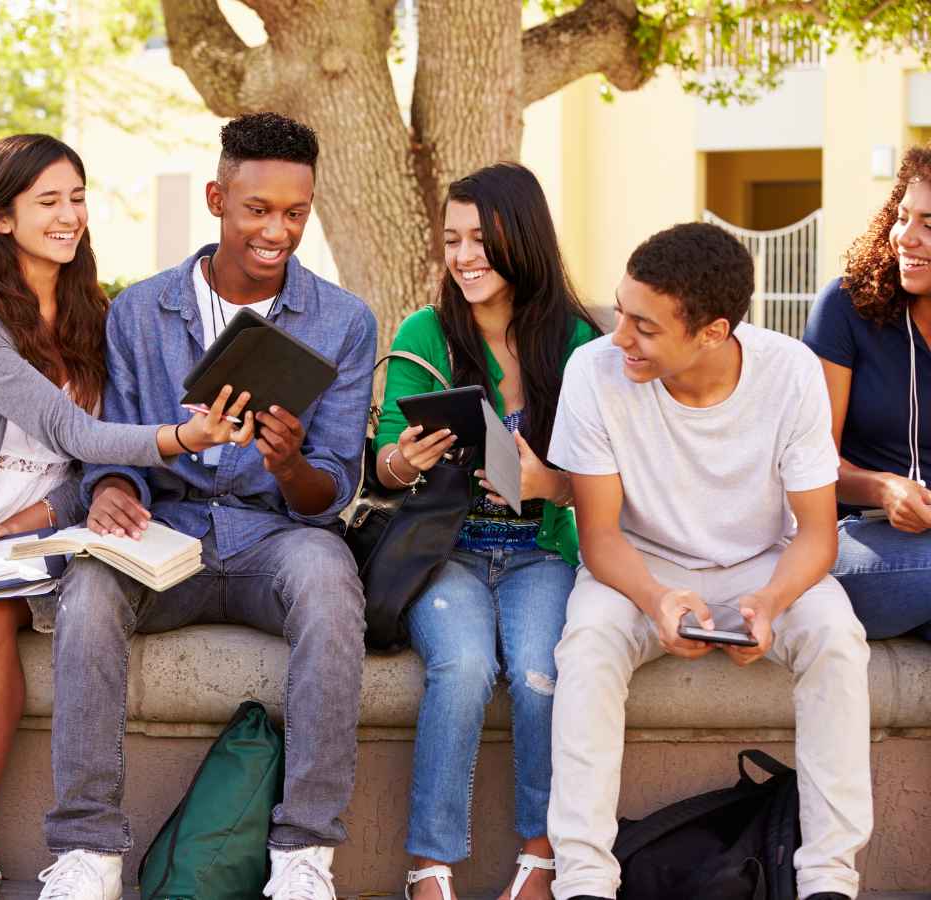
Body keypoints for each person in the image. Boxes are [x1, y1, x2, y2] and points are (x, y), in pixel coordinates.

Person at [0, 134, 252, 900]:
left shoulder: (95, 316)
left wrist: (20, 523)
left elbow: (80, 472)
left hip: (42, 532)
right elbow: (71, 430)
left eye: (76, 197)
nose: (70, 216)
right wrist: (180, 439)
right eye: (48, 202)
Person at [36, 112, 376, 900]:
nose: (277, 231)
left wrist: (289, 465)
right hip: (166, 531)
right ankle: (86, 849)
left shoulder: (344, 321)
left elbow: (331, 491)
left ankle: (303, 852)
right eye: (258, 209)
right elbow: (110, 439)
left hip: (275, 536)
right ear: (219, 199)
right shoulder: (140, 311)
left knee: (331, 583)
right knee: (87, 591)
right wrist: (115, 487)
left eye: (296, 212)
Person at [545, 222, 873, 900]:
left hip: (763, 562)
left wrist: (773, 603)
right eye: (621, 311)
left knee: (838, 641)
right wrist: (657, 598)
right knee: (587, 645)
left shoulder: (790, 373)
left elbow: (817, 535)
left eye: (644, 326)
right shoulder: (594, 372)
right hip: (636, 564)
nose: (620, 338)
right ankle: (582, 879)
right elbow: (599, 535)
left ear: (713, 332)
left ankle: (828, 879)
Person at [373, 163, 598, 900]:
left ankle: (540, 855)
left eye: (482, 239)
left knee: (540, 675)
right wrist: (404, 461)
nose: (464, 256)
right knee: (464, 670)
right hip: (448, 551)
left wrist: (545, 484)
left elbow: (603, 482)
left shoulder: (575, 342)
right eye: (452, 239)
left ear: (522, 240)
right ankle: (429, 866)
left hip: (540, 551)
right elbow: (381, 468)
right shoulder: (424, 332)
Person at [802, 144, 931, 640]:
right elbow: (813, 463)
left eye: (928, 224)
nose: (907, 237)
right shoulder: (846, 307)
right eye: (903, 217)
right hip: (852, 536)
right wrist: (885, 486)